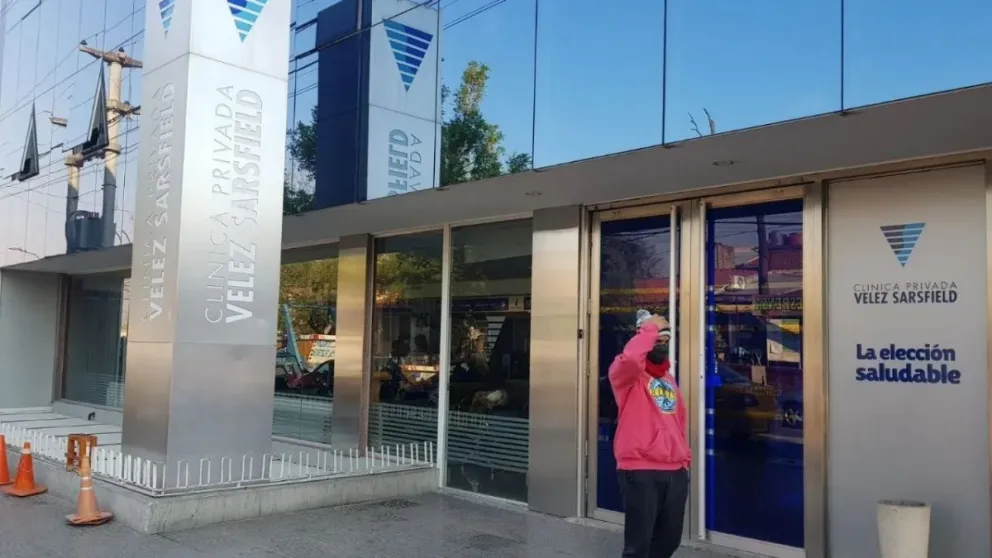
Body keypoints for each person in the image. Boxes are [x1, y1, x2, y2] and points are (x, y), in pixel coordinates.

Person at [609, 309, 691, 558]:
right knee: (639, 546)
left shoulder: (669, 379)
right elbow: (632, 359)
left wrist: (684, 458)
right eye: (657, 340)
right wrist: (650, 329)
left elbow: (678, 420)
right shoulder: (626, 375)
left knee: (668, 541)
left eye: (665, 341)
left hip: (675, 470)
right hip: (640, 469)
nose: (661, 345)